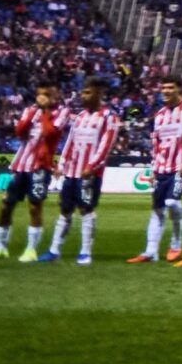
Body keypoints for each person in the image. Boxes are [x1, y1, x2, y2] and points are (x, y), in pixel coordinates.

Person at [0, 82, 61, 264]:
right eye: (39, 94)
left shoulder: (60, 113)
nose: (41, 97)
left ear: (53, 97)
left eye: (46, 95)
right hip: (21, 165)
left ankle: (31, 250)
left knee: (34, 207)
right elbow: (19, 131)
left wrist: (44, 112)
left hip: (40, 167)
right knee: (6, 205)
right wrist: (33, 114)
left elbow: (49, 132)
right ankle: (0, 248)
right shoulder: (29, 110)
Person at [49, 81, 120, 265]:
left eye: (88, 92)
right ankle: (54, 250)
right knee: (65, 209)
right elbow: (70, 142)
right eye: (83, 92)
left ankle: (85, 252)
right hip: (72, 171)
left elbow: (106, 146)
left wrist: (92, 166)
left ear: (98, 94)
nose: (83, 96)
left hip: (90, 173)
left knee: (86, 209)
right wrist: (61, 164)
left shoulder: (109, 117)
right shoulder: (80, 116)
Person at [134, 81, 182, 264]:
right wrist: (153, 169)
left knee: (172, 202)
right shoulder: (160, 114)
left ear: (180, 89)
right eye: (163, 88)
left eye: (170, 88)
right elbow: (156, 144)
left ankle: (176, 243)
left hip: (181, 166)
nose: (166, 91)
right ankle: (151, 251)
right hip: (161, 168)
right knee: (157, 208)